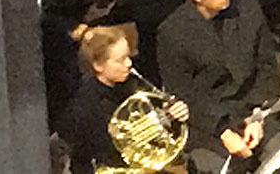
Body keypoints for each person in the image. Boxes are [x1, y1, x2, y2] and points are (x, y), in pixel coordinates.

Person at [158, 0, 280, 173]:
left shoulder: (249, 10)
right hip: (207, 123)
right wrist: (223, 132)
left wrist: (258, 116)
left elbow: (266, 69)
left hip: (252, 109)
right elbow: (184, 94)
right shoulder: (171, 32)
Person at [59, 27, 190, 174]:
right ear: (98, 65)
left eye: (129, 56)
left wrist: (172, 116)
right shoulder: (84, 108)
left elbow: (158, 131)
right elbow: (82, 159)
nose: (128, 64)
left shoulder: (135, 84)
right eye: (120, 60)